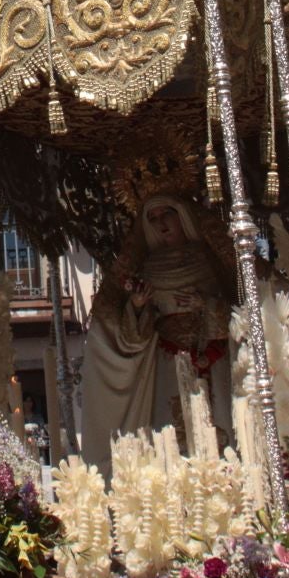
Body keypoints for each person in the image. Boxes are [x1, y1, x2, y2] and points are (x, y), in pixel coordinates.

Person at [80, 194, 233, 473]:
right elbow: (139, 335)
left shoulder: (208, 261)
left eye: (167, 215)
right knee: (172, 438)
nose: (162, 225)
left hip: (211, 359)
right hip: (169, 363)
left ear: (182, 216)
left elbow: (233, 313)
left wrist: (206, 305)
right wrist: (138, 308)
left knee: (220, 430)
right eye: (153, 219)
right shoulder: (149, 269)